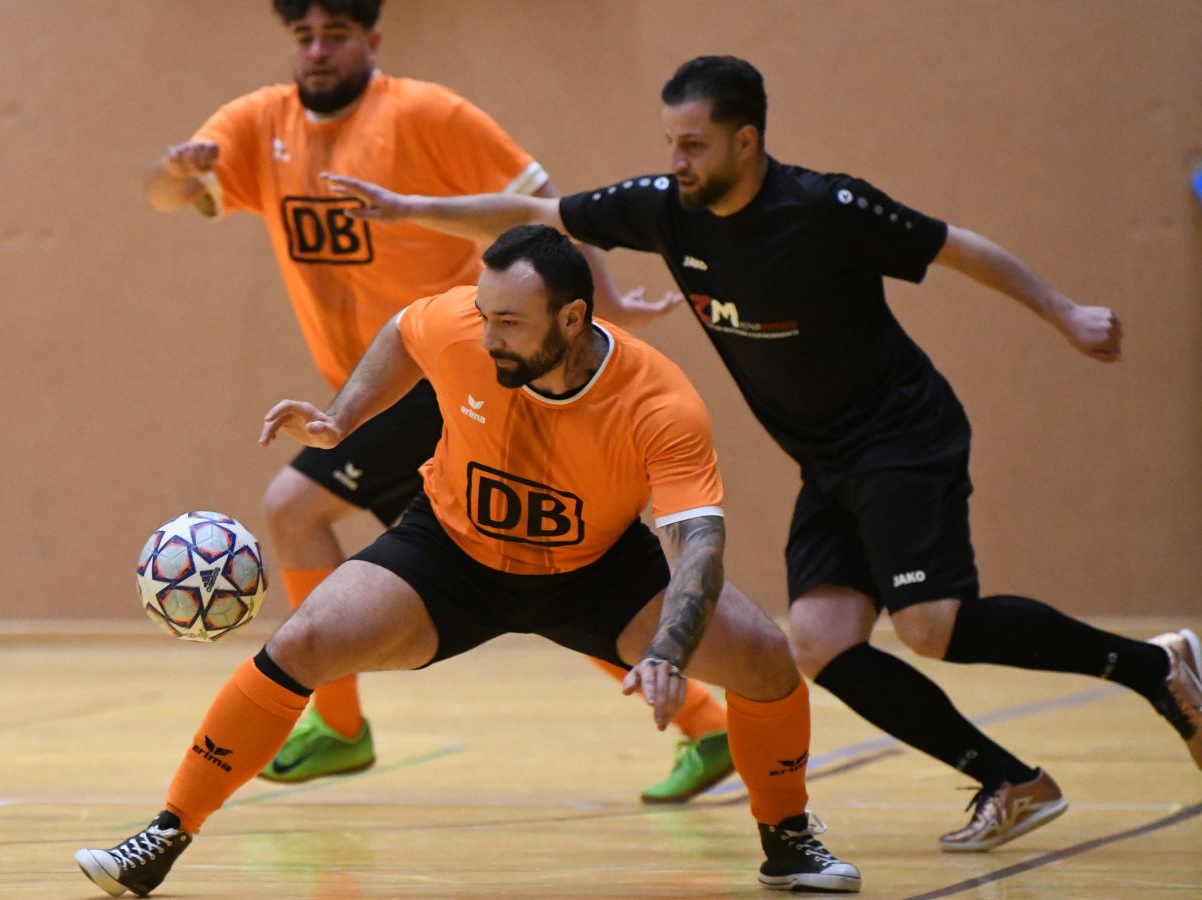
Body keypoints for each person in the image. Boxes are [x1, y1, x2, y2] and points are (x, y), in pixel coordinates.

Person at [321, 54, 1202, 853]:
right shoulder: (667, 210)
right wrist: (410, 210)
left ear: (746, 142)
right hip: (826, 460)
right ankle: (1012, 780)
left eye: (694, 144)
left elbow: (957, 248)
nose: (676, 161)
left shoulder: (826, 208)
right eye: (669, 142)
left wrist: (1066, 312)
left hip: (903, 436)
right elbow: (535, 213)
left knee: (929, 624)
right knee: (818, 643)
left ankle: (1153, 667)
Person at [76, 225, 863, 896]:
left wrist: (667, 650)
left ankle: (788, 838)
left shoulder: (657, 400)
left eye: (509, 324)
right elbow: (405, 330)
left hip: (595, 570)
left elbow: (697, 543)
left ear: (573, 318)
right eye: (484, 316)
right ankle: (165, 832)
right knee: (304, 641)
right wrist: (340, 419)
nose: (487, 337)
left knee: (765, 658)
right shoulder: (466, 326)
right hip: (449, 555)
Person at [143, 0, 733, 802]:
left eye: (336, 34)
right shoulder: (258, 123)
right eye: (304, 37)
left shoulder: (428, 114)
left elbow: (542, 204)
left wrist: (609, 300)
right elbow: (166, 197)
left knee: (293, 506)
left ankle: (339, 727)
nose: (318, 50)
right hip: (371, 387)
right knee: (524, 585)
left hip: (447, 378)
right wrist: (175, 172)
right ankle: (704, 722)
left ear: (371, 40)